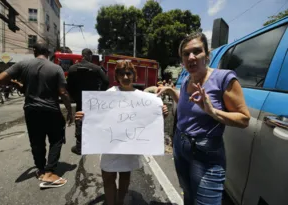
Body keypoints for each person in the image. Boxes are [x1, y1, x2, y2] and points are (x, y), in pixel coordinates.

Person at [157, 32, 250, 205]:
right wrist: (170, 92)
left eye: (197, 51)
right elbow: (187, 104)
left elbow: (244, 119)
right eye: (186, 53)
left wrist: (213, 112)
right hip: (180, 146)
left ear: (207, 55)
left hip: (206, 153)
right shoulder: (186, 79)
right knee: (188, 196)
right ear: (182, 59)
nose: (191, 57)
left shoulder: (223, 78)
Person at [75, 60, 169, 205]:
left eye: (128, 73)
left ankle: (120, 201)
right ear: (116, 76)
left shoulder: (143, 97)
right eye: (121, 73)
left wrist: (161, 112)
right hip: (111, 146)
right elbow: (97, 115)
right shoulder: (109, 94)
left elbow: (149, 119)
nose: (125, 77)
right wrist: (84, 116)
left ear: (134, 75)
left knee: (125, 174)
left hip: (129, 146)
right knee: (108, 176)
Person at [0, 41, 73, 188]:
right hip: (51, 110)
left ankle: (41, 169)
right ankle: (49, 173)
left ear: (34, 51)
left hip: (31, 110)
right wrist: (69, 111)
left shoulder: (23, 65)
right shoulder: (56, 68)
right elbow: (62, 92)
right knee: (56, 139)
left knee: (36, 141)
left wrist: (15, 83)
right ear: (48, 53)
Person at [67, 48, 109, 155]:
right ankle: (94, 144)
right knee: (93, 120)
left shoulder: (72, 69)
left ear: (82, 55)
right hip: (92, 99)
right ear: (89, 56)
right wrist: (99, 93)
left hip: (79, 99)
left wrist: (74, 96)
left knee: (79, 120)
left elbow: (68, 86)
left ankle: (80, 146)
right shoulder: (96, 68)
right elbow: (106, 81)